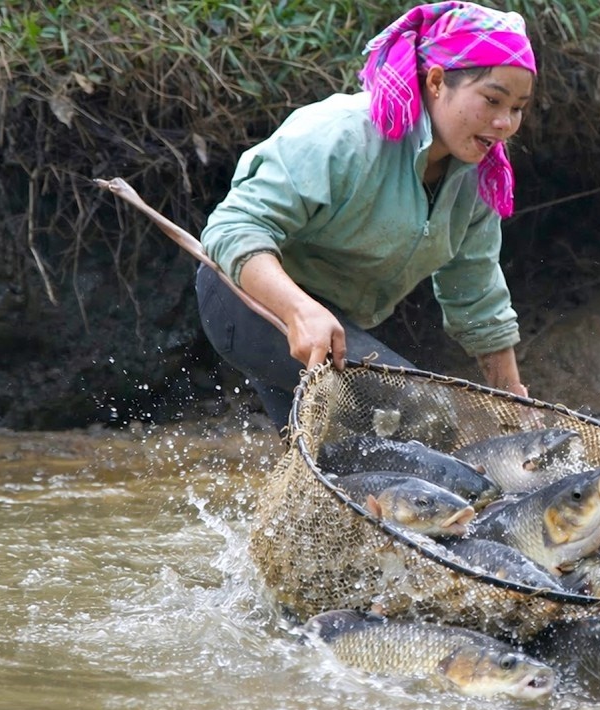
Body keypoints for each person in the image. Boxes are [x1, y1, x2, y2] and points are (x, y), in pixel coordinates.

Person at [196, 1, 535, 431]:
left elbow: (475, 292)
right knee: (427, 419)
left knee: (340, 463)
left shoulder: (476, 178)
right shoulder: (344, 134)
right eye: (492, 100)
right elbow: (233, 228)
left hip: (336, 326)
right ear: (436, 81)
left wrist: (510, 397)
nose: (505, 122)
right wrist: (299, 311)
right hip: (248, 301)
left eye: (518, 108)